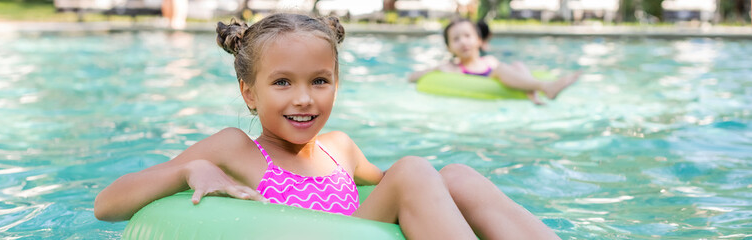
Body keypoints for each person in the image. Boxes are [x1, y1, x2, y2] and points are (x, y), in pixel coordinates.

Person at [94, 13, 559, 239]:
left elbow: (413, 193)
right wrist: (186, 171)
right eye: (282, 83)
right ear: (249, 94)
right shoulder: (233, 149)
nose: (303, 98)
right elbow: (106, 206)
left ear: (336, 83)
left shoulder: (340, 148)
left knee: (454, 174)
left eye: (320, 81)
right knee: (416, 168)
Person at [408, 18, 581, 105]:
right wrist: (435, 69)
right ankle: (545, 88)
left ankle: (533, 92)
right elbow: (412, 77)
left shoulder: (489, 60)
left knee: (517, 65)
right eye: (456, 39)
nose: (463, 42)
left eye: (468, 36)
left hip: (500, 81)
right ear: (449, 47)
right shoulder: (451, 68)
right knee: (500, 69)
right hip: (481, 90)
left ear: (478, 40)